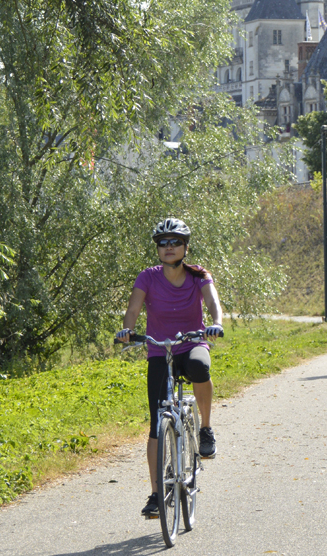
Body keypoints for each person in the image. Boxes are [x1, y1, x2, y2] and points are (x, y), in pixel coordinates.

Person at [116, 218, 224, 518]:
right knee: (155, 424)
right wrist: (127, 330)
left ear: (185, 247)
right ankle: (155, 494)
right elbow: (134, 309)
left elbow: (213, 302)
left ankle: (205, 429)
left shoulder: (198, 275)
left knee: (200, 368)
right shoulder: (148, 277)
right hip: (159, 350)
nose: (168, 247)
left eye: (175, 242)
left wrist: (216, 324)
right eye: (163, 243)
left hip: (192, 344)